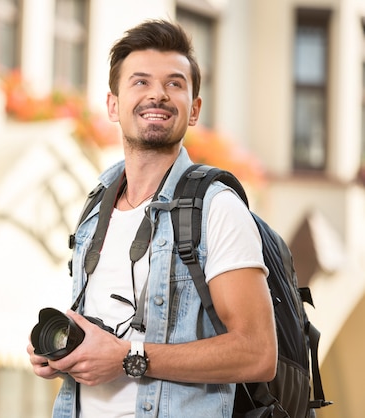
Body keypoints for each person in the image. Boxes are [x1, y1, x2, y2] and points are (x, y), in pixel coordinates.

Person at [27, 19, 277, 417]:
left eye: (175, 83)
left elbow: (258, 353)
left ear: (194, 110)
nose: (157, 94)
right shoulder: (96, 210)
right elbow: (105, 342)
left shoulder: (217, 208)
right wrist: (65, 354)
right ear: (113, 104)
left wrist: (130, 357)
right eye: (140, 82)